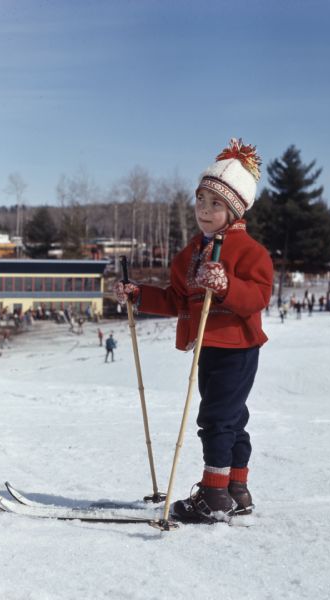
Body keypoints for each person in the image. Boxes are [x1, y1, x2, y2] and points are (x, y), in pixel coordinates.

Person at [115, 138, 273, 523]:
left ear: (234, 209)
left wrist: (226, 286)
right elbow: (175, 299)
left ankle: (214, 495)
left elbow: (258, 296)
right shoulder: (191, 252)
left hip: (237, 347)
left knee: (217, 419)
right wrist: (139, 296)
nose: (205, 209)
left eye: (215, 204)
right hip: (208, 346)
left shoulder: (250, 251)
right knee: (231, 418)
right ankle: (237, 488)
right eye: (201, 201)